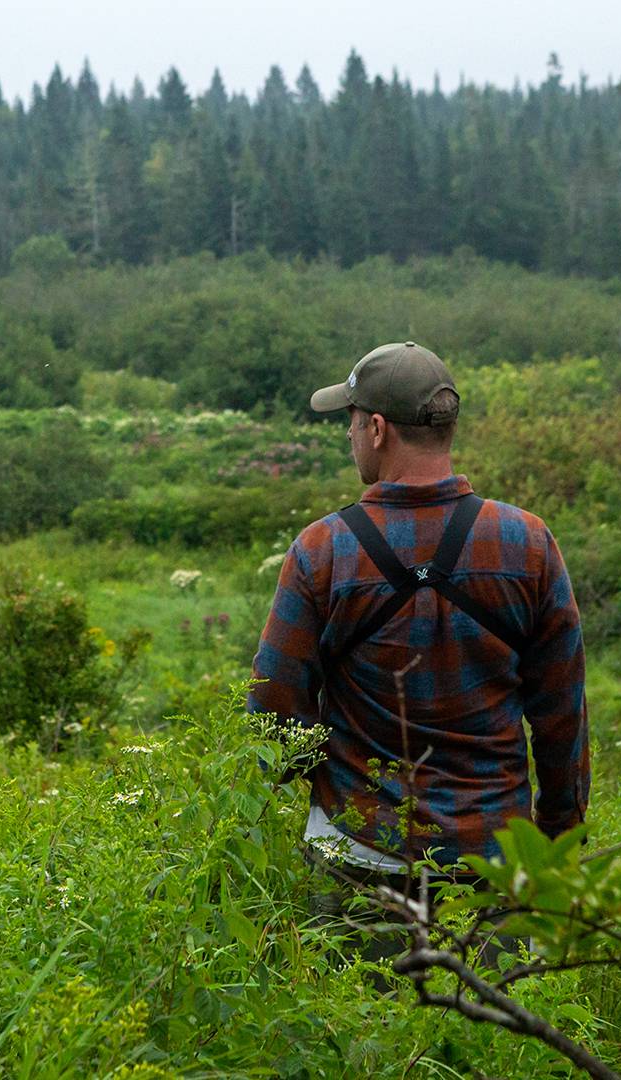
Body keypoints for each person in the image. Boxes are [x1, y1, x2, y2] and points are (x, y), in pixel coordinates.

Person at [248, 341, 589, 945]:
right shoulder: (528, 543)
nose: (350, 436)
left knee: (359, 1038)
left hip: (359, 857)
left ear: (377, 429)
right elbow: (562, 714)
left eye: (351, 422)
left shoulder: (322, 551)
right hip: (494, 861)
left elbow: (274, 702)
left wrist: (329, 784)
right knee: (493, 1035)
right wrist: (558, 838)